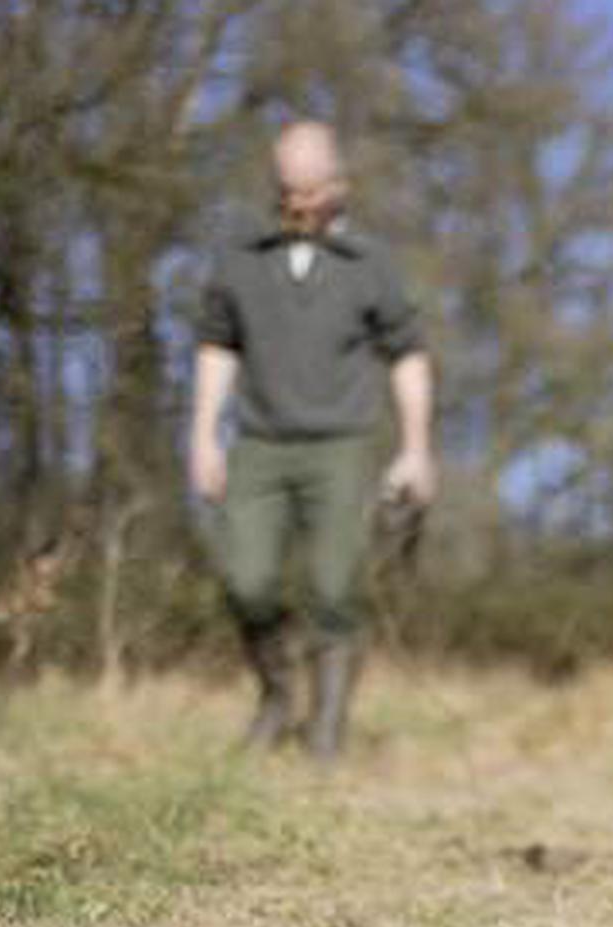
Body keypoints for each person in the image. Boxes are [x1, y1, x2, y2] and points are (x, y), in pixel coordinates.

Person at [187, 120, 436, 760]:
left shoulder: (371, 265)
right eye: (287, 190)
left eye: (312, 189)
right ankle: (276, 697)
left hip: (341, 444)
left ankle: (326, 729)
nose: (300, 203)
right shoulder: (242, 260)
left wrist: (415, 448)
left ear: (339, 185)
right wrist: (203, 437)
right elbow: (216, 346)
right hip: (260, 443)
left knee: (334, 588)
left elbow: (408, 356)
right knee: (247, 581)